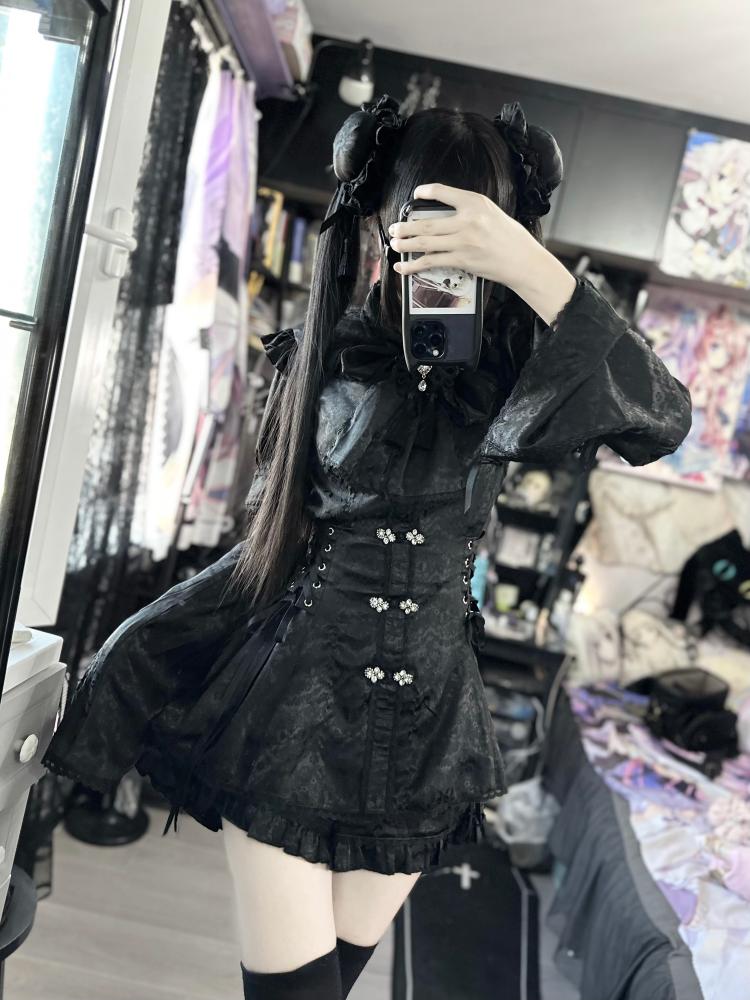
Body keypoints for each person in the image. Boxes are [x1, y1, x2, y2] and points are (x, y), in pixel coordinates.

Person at [41, 95, 692, 999]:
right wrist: (135, 654)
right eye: (418, 230)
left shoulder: (522, 373)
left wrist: (527, 264)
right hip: (293, 716)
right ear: (381, 223)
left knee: (332, 985)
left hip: (426, 736)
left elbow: (663, 418)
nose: (438, 261)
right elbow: (272, 545)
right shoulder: (326, 356)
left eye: (469, 238)